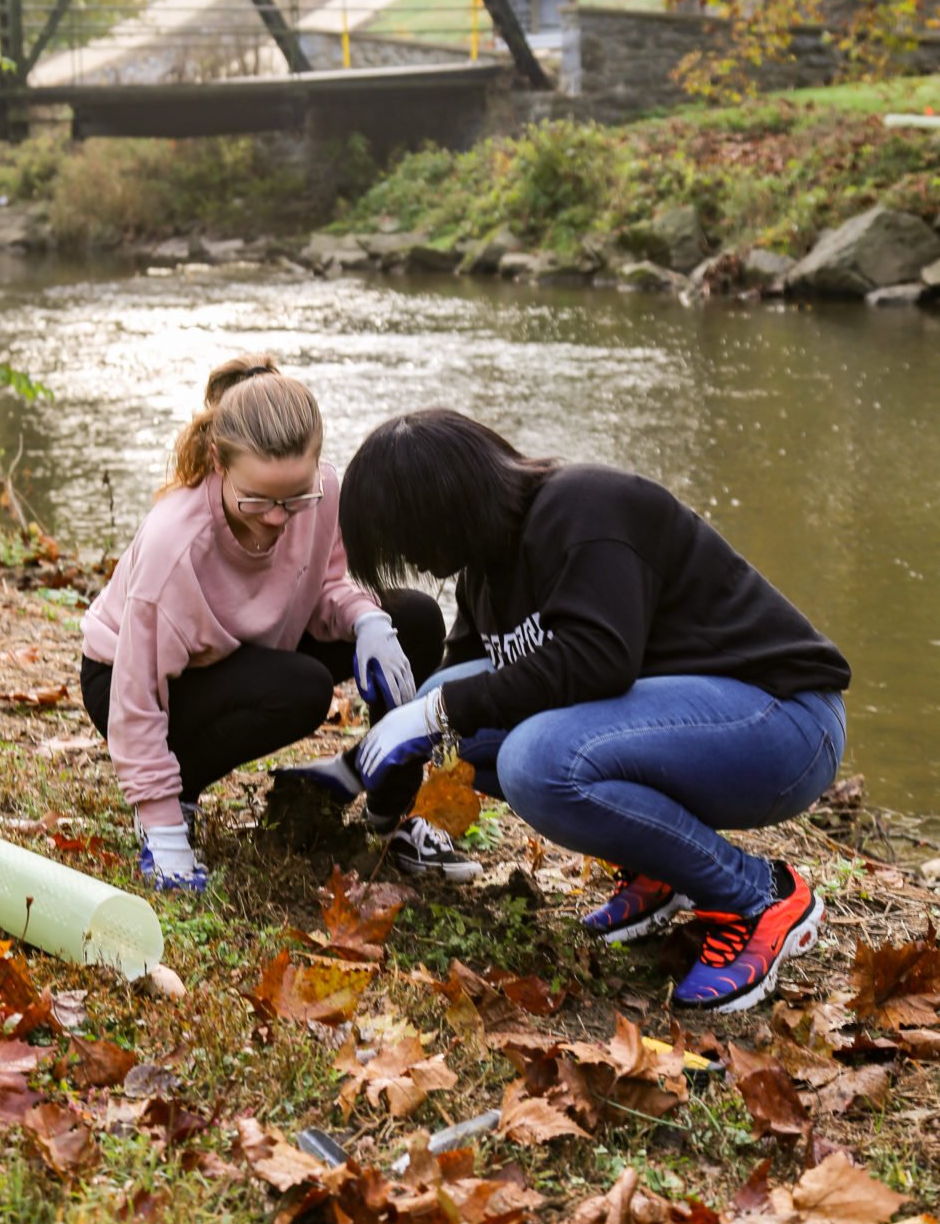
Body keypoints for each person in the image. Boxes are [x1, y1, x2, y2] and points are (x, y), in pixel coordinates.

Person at [331, 409, 850, 1013]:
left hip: (783, 721)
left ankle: (759, 896)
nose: (410, 559)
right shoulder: (484, 575)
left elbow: (601, 657)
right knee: (454, 716)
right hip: (697, 724)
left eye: (403, 538)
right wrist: (368, 766)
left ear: (440, 507)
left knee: (535, 760)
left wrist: (436, 711)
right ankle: (657, 871)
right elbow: (458, 694)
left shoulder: (585, 508)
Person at [78, 356, 479, 892]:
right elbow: (137, 696)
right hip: (141, 682)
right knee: (301, 688)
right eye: (259, 500)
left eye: (295, 498)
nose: (276, 518)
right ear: (219, 462)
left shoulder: (322, 491)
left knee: (413, 620)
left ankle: (393, 812)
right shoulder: (174, 547)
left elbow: (331, 581)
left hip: (256, 645)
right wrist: (160, 820)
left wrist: (366, 622)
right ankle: (177, 799)